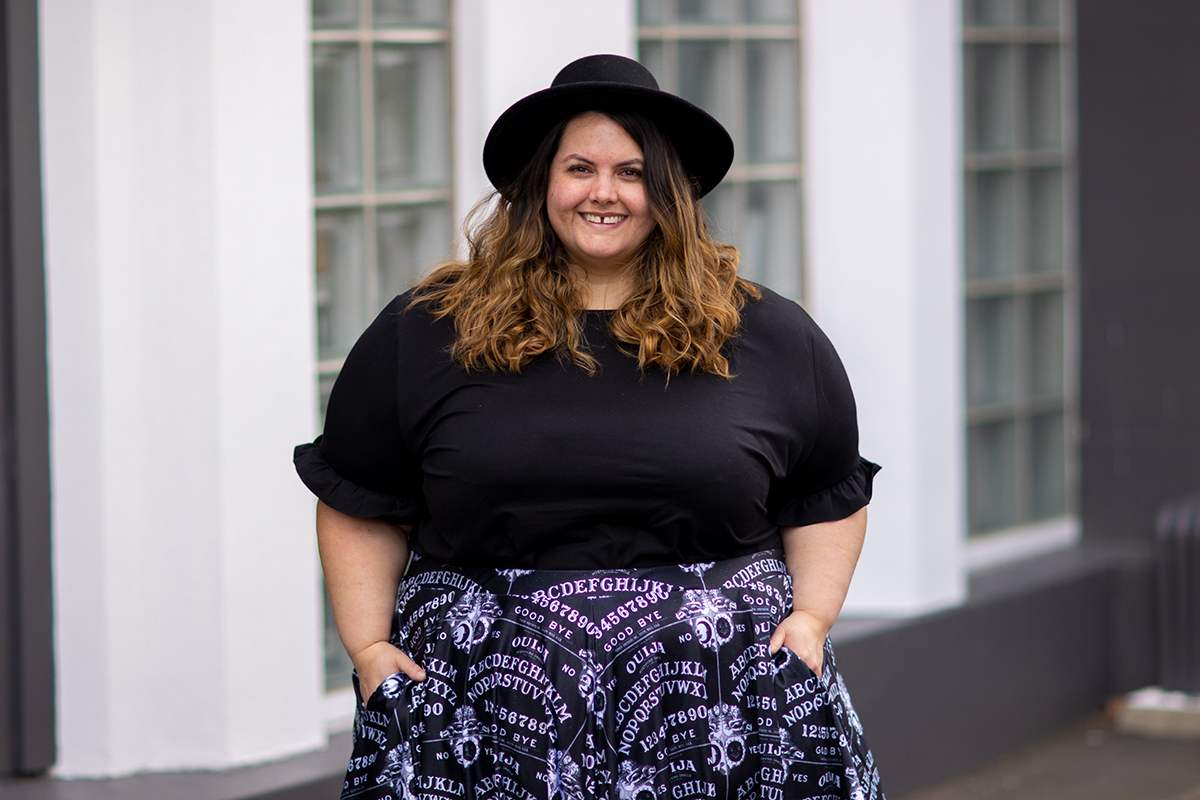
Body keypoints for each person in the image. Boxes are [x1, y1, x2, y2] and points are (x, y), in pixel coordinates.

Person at [295, 53, 885, 800]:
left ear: (668, 193)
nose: (604, 193)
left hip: (725, 711)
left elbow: (827, 491)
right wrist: (371, 648)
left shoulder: (766, 333)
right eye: (580, 168)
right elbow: (359, 494)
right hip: (484, 716)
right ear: (540, 183)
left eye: (633, 173)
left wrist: (810, 622)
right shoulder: (427, 331)